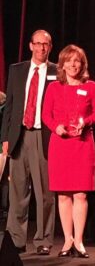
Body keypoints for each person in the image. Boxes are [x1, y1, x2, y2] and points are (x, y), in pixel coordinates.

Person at [42, 44, 95, 258]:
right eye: (69, 60)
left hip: (83, 144)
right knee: (63, 194)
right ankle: (67, 239)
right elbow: (45, 115)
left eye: (77, 60)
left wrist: (86, 122)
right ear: (62, 64)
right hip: (60, 144)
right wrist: (55, 126)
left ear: (82, 63)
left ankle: (79, 240)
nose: (73, 64)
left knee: (80, 193)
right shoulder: (53, 87)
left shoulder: (92, 86)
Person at [0, 30, 56, 254]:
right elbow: (10, 106)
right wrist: (5, 137)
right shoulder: (17, 69)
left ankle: (43, 240)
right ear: (30, 46)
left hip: (43, 136)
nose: (42, 48)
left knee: (44, 192)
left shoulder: (56, 72)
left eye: (46, 44)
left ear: (50, 47)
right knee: (17, 191)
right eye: (38, 44)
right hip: (18, 135)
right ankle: (16, 240)